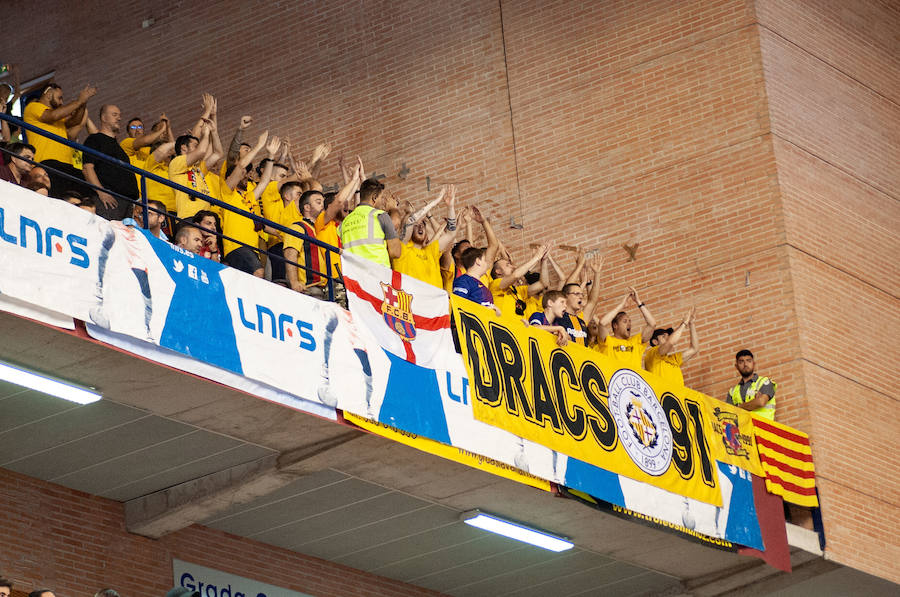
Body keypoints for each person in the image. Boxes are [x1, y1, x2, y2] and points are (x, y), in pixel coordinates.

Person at [393, 185, 461, 288]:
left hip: (434, 303)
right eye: (416, 225)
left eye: (423, 224)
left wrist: (450, 207)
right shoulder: (402, 249)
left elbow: (451, 234)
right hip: (410, 301)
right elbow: (409, 221)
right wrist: (435, 202)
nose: (420, 226)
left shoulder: (431, 251)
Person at [82, 104, 139, 220]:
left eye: (119, 115)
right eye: (114, 115)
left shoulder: (118, 147)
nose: (119, 118)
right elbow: (87, 168)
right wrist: (101, 192)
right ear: (104, 118)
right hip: (109, 200)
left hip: (127, 202)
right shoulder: (94, 139)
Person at [23, 83, 95, 165]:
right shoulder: (33, 107)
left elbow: (75, 121)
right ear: (49, 94)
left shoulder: (57, 114)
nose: (61, 102)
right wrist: (79, 101)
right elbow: (53, 116)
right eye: (59, 98)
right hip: (45, 162)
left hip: (66, 163)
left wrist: (83, 103)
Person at [339, 175, 401, 268]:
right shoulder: (380, 215)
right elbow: (395, 252)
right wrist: (393, 209)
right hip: (377, 274)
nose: (382, 202)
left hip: (353, 276)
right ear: (374, 198)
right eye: (381, 197)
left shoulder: (344, 222)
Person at [595, 286, 657, 370]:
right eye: (625, 321)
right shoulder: (608, 341)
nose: (629, 324)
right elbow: (602, 323)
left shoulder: (635, 342)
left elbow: (652, 324)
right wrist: (621, 305)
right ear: (615, 325)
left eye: (629, 321)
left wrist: (638, 302)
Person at [553, 253, 604, 346]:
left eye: (581, 294)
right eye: (576, 294)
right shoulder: (557, 315)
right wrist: (579, 265)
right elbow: (567, 285)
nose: (580, 297)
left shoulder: (582, 318)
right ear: (565, 297)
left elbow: (593, 301)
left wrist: (597, 273)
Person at [644, 306, 699, 386]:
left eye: (668, 336)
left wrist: (691, 324)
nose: (667, 338)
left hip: (679, 397)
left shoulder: (673, 359)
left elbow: (694, 348)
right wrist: (684, 324)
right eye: (663, 336)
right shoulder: (652, 354)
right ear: (655, 342)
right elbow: (670, 342)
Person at [727, 349, 776, 420]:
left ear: (754, 363)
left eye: (748, 361)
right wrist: (754, 402)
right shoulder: (732, 392)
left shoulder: (765, 382)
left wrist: (738, 407)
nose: (745, 364)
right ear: (736, 366)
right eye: (741, 362)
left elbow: (761, 402)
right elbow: (729, 413)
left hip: (763, 428)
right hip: (743, 430)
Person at [452, 247, 502, 316]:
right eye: (485, 260)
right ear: (478, 261)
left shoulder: (483, 286)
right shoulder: (464, 280)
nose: (487, 264)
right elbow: (459, 304)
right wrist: (484, 309)